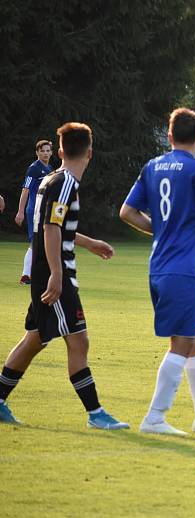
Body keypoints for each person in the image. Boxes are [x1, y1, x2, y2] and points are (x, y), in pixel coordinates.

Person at [120, 108, 195, 435]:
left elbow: (127, 212)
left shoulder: (152, 166)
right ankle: (155, 418)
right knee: (183, 342)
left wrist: (159, 230)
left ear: (169, 136)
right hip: (181, 270)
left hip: (160, 266)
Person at [0, 122, 128, 429]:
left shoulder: (51, 180)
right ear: (90, 153)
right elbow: (50, 228)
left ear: (59, 151)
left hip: (46, 272)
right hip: (55, 276)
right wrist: (57, 274)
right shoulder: (66, 183)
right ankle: (96, 413)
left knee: (36, 339)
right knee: (78, 341)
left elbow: (56, 225)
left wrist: (89, 243)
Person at [15, 140, 54, 285]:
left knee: (43, 242)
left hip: (45, 210)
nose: (45, 153)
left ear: (51, 152)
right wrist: (20, 211)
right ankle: (25, 276)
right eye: (42, 150)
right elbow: (25, 190)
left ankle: (36, 275)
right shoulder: (33, 168)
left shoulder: (50, 168)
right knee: (35, 242)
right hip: (34, 210)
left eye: (47, 150)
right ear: (37, 152)